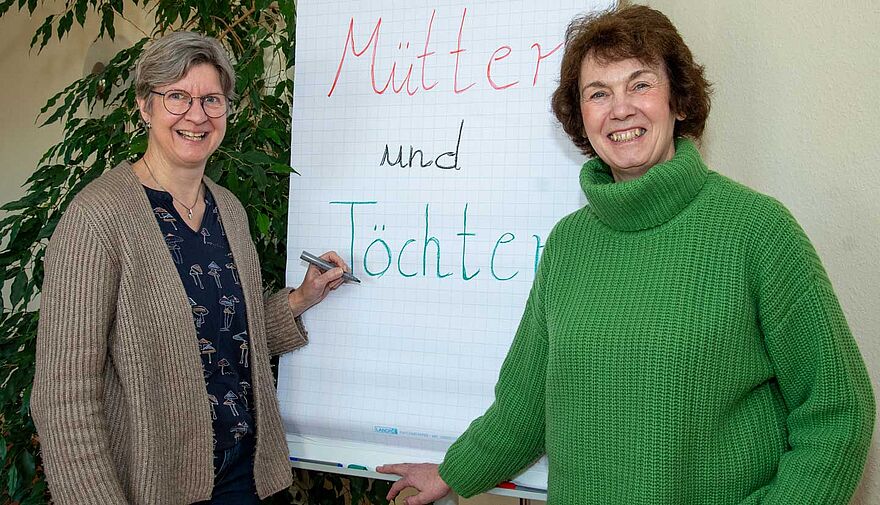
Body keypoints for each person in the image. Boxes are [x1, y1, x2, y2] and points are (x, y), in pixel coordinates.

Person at [378, 5, 874, 504]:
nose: (620, 109)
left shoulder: (757, 231)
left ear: (679, 100)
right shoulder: (568, 245)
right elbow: (526, 407)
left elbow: (838, 411)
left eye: (640, 84)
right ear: (581, 118)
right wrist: (452, 472)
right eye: (598, 93)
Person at [30, 31, 350, 505]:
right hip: (160, 485)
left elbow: (225, 338)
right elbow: (62, 396)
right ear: (145, 105)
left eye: (211, 99)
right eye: (177, 96)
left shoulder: (229, 210)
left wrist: (301, 299)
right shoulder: (98, 217)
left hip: (251, 475)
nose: (196, 115)